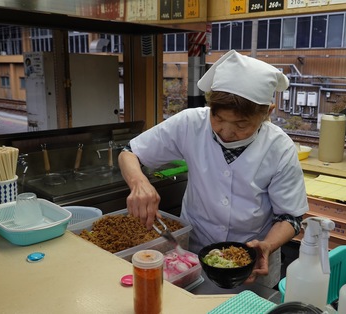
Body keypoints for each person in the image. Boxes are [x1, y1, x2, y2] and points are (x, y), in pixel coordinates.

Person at [118, 50, 309, 288]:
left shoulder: (279, 147)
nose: (226, 132)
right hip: (192, 257)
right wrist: (139, 183)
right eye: (217, 118)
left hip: (251, 262)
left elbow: (290, 216)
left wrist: (268, 245)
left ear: (267, 112)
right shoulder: (190, 123)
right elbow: (129, 152)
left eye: (241, 124)